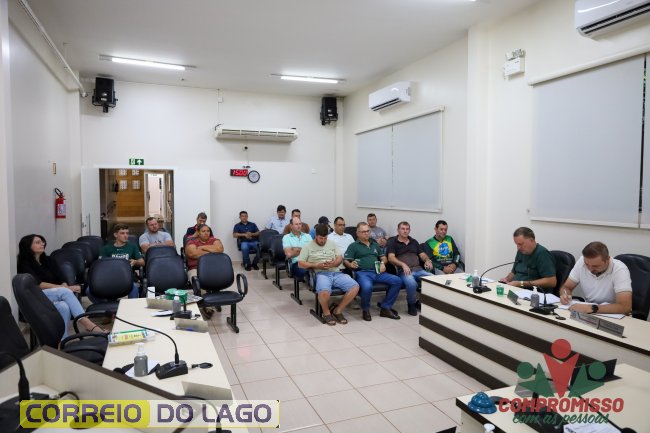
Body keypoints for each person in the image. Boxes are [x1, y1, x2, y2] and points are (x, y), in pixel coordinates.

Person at [17, 234, 106, 338]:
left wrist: (64, 285)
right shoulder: (24, 264)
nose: (42, 244)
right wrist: (65, 288)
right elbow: (39, 284)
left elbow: (62, 279)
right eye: (37, 242)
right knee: (65, 291)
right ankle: (88, 324)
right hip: (35, 296)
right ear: (28, 246)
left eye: (42, 241)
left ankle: (62, 341)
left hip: (52, 295)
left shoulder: (48, 260)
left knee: (64, 306)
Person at [298, 224, 359, 326]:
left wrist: (334, 263)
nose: (323, 241)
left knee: (355, 287)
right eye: (320, 238)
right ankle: (326, 313)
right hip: (320, 274)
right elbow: (300, 263)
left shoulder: (332, 243)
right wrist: (316, 265)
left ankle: (338, 311)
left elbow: (339, 258)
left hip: (336, 272)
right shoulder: (307, 246)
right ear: (316, 236)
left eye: (325, 238)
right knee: (324, 292)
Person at [343, 222, 403, 321]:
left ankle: (385, 307)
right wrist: (350, 265)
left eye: (368, 231)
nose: (366, 233)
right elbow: (345, 260)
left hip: (377, 272)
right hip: (363, 273)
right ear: (357, 233)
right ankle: (366, 309)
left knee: (397, 280)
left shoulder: (375, 244)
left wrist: (383, 263)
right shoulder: (353, 246)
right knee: (367, 287)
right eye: (363, 232)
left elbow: (383, 258)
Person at [559, 242, 632, 315]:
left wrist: (592, 308)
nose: (590, 269)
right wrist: (565, 295)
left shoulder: (620, 269)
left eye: (595, 266)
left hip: (612, 314)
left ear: (608, 259)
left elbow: (625, 307)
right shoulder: (582, 261)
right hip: (588, 312)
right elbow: (566, 287)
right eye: (587, 264)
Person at [386, 221, 433, 316]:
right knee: (411, 283)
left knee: (434, 280)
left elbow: (422, 254)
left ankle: (420, 302)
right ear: (398, 230)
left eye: (407, 229)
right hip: (404, 271)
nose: (405, 231)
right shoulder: (393, 242)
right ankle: (411, 304)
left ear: (409, 230)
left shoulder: (414, 242)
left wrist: (427, 260)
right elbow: (390, 258)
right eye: (403, 229)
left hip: (419, 270)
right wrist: (403, 264)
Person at [500, 227, 557, 291]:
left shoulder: (542, 254)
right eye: (517, 244)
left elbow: (551, 281)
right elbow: (513, 272)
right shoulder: (521, 251)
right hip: (516, 289)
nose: (518, 248)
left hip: (533, 292)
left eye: (520, 244)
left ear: (531, 240)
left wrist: (521, 284)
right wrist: (506, 279)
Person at [96, 223, 143, 300]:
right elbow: (100, 265)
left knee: (134, 287)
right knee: (89, 290)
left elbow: (142, 262)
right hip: (109, 277)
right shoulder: (106, 248)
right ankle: (107, 305)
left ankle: (132, 306)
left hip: (127, 277)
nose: (126, 235)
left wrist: (135, 262)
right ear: (115, 235)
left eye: (127, 233)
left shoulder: (132, 246)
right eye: (122, 233)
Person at [282, 216, 313, 282]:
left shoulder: (307, 236)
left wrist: (296, 249)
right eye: (296, 224)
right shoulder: (286, 237)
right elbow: (289, 254)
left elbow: (313, 250)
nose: (299, 226)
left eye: (300, 224)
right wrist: (306, 250)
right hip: (296, 262)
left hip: (310, 260)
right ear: (291, 226)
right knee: (305, 271)